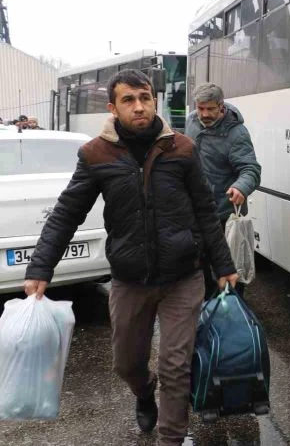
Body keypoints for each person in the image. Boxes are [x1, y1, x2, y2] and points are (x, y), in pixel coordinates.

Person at [23, 69, 239, 446]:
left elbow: (206, 210)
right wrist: (42, 266)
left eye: (145, 98)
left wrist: (223, 265)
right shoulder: (95, 155)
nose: (139, 107)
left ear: (155, 101)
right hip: (129, 279)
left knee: (176, 366)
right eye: (129, 100)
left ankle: (170, 438)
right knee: (126, 364)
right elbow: (67, 212)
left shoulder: (182, 149)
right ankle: (143, 393)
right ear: (113, 107)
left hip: (181, 278)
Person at [184, 83, 261, 299]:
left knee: (228, 270)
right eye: (200, 108)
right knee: (198, 268)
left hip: (223, 214)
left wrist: (240, 187)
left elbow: (251, 169)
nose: (204, 114)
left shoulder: (237, 133)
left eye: (210, 109)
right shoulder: (191, 120)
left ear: (221, 106)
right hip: (195, 210)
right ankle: (206, 313)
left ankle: (232, 315)